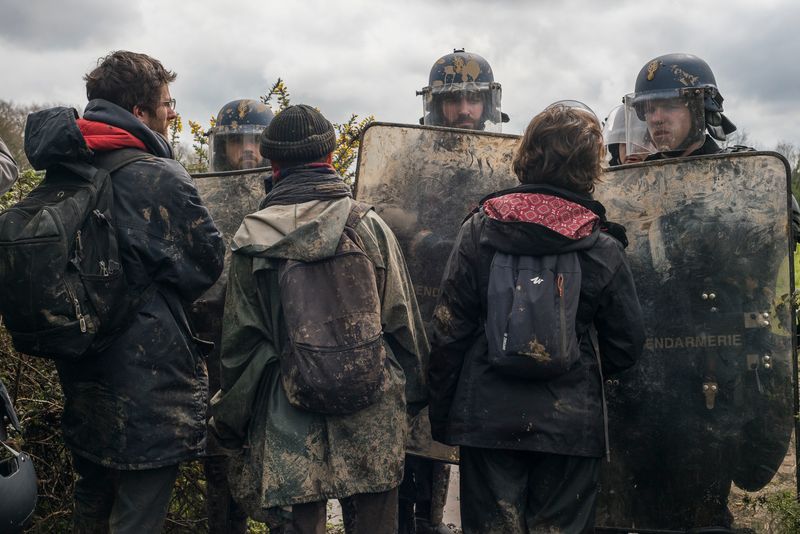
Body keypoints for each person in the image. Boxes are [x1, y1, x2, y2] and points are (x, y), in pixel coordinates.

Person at [22, 50, 224, 533]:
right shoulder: (155, 175)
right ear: (139, 112)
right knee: (137, 517)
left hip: (83, 376)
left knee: (91, 501)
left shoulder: (68, 166)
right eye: (167, 103)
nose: (173, 113)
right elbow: (207, 265)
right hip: (148, 391)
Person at [210, 104, 428, 534]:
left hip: (287, 418)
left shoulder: (251, 242)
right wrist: (410, 402)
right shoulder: (370, 228)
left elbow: (239, 351)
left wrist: (230, 424)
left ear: (273, 163)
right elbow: (404, 327)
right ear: (330, 158)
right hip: (372, 408)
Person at [428, 104, 645, 533]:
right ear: (591, 168)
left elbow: (449, 330)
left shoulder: (479, 230)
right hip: (570, 427)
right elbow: (626, 345)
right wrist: (578, 370)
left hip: (486, 420)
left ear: (525, 154)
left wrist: (443, 415)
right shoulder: (603, 247)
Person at [199, 97, 274, 534]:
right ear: (221, 150)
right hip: (214, 344)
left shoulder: (281, 199)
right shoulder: (203, 198)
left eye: (256, 142)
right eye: (236, 143)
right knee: (217, 459)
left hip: (263, 345)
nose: (247, 151)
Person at [418, 48, 509, 131]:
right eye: (453, 101)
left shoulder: (503, 148)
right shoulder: (416, 148)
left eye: (474, 100)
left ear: (486, 107)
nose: (464, 111)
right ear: (438, 109)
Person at [208, 99, 274, 172]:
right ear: (223, 149)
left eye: (257, 139)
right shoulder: (209, 183)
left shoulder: (286, 183)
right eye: (236, 140)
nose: (247, 148)